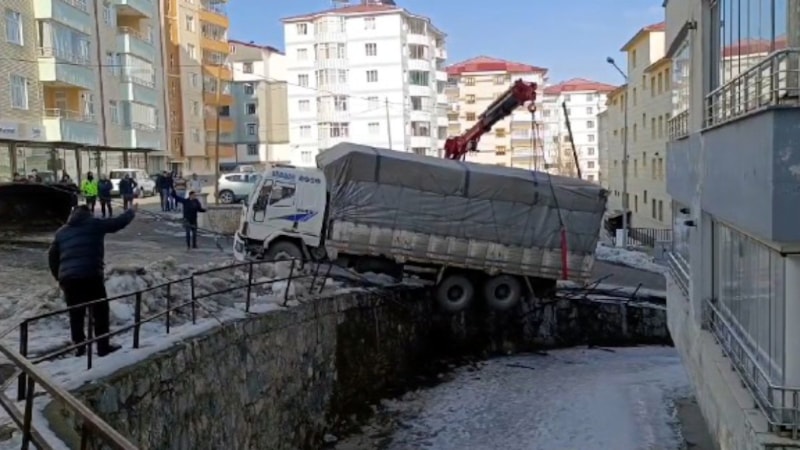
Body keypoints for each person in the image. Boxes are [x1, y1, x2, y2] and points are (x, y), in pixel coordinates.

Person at [47, 204, 137, 357]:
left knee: (76, 314)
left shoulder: (61, 232)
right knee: (100, 311)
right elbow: (117, 223)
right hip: (90, 275)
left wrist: (60, 277)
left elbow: (52, 257)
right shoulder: (94, 224)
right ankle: (102, 346)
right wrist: (131, 212)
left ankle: (80, 347)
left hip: (69, 280)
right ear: (88, 213)